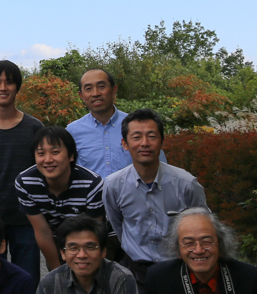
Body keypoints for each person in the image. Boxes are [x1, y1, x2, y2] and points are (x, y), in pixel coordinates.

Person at [104, 110, 208, 282]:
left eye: (152, 136)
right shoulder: (114, 185)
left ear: (162, 142)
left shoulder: (186, 184)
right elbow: (118, 225)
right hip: (135, 271)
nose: (145, 143)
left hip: (179, 269)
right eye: (136, 137)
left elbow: (204, 226)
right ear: (125, 144)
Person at [0, 60, 45, 279]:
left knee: (28, 279)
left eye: (9, 82)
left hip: (27, 219)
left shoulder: (35, 128)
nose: (3, 88)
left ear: (17, 87)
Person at [15, 126, 107, 273]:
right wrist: (58, 273)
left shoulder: (92, 184)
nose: (48, 160)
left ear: (71, 155)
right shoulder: (25, 182)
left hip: (89, 239)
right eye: (41, 153)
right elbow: (43, 232)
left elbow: (92, 233)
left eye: (55, 152)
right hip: (55, 239)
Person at [67, 69, 163, 179]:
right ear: (81, 96)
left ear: (114, 90)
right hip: (91, 191)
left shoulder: (136, 126)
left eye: (101, 86)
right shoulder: (72, 131)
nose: (96, 93)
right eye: (88, 89)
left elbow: (159, 166)